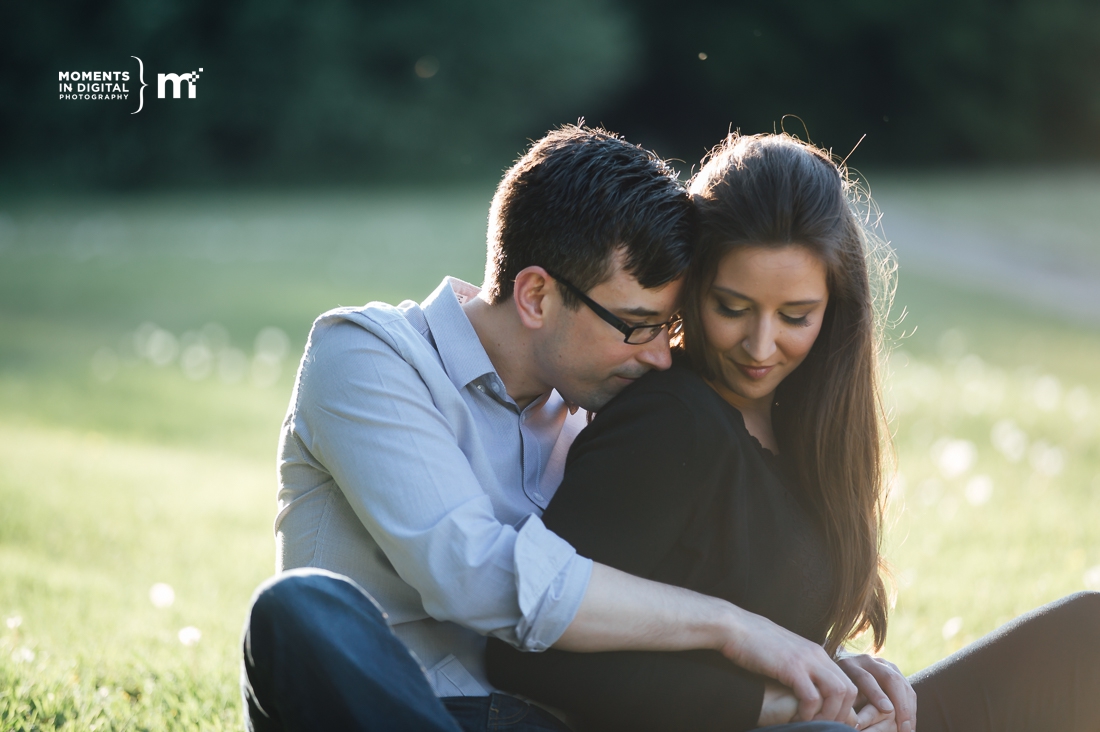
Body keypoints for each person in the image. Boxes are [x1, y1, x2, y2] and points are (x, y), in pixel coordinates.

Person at [240, 126, 860, 732]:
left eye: (665, 325)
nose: (661, 355)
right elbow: (474, 574)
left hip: (548, 720)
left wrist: (815, 677)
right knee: (298, 612)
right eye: (637, 325)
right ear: (536, 295)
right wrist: (732, 628)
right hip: (404, 707)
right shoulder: (367, 357)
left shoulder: (594, 405)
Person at [485, 133, 1100, 731]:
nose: (760, 345)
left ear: (835, 309)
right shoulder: (668, 425)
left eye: (795, 316)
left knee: (1085, 638)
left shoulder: (808, 427)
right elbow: (527, 658)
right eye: (731, 307)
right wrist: (775, 705)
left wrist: (836, 672)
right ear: (691, 289)